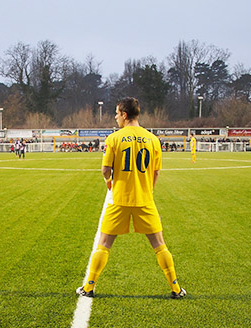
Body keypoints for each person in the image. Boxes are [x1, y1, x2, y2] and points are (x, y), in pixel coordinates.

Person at [76, 97, 186, 299]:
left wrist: (109, 182)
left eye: (117, 113)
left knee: (104, 244)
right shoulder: (153, 139)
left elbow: (105, 170)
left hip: (119, 200)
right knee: (159, 245)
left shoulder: (114, 138)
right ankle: (176, 288)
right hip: (144, 200)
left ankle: (89, 287)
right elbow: (156, 172)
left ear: (125, 115)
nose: (116, 117)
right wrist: (147, 190)